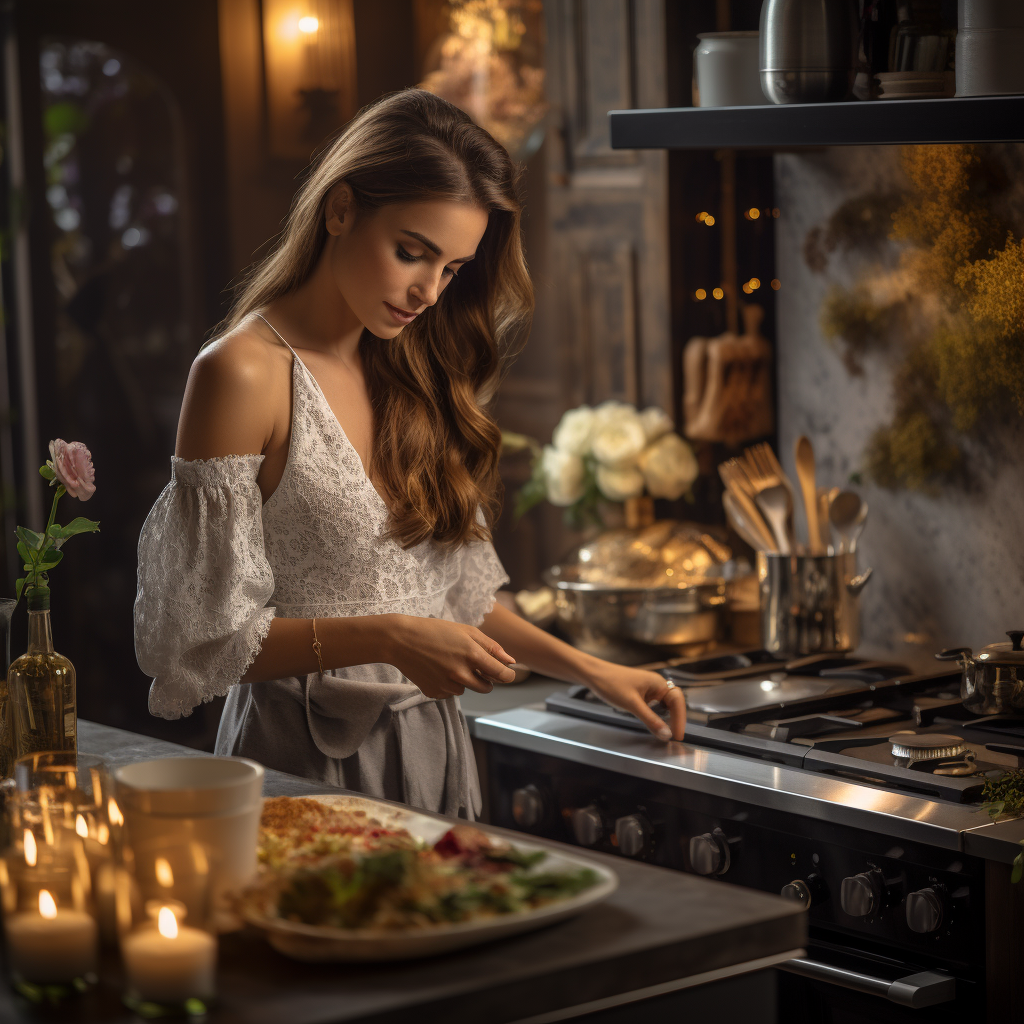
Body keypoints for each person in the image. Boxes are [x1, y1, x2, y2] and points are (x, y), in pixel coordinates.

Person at [134, 89, 685, 819]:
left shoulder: (415, 371)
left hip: (434, 750)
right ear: (340, 210)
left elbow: (456, 601)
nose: (428, 291)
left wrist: (594, 670)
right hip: (299, 759)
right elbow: (204, 643)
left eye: (452, 269)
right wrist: (390, 636)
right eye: (412, 253)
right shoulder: (241, 373)